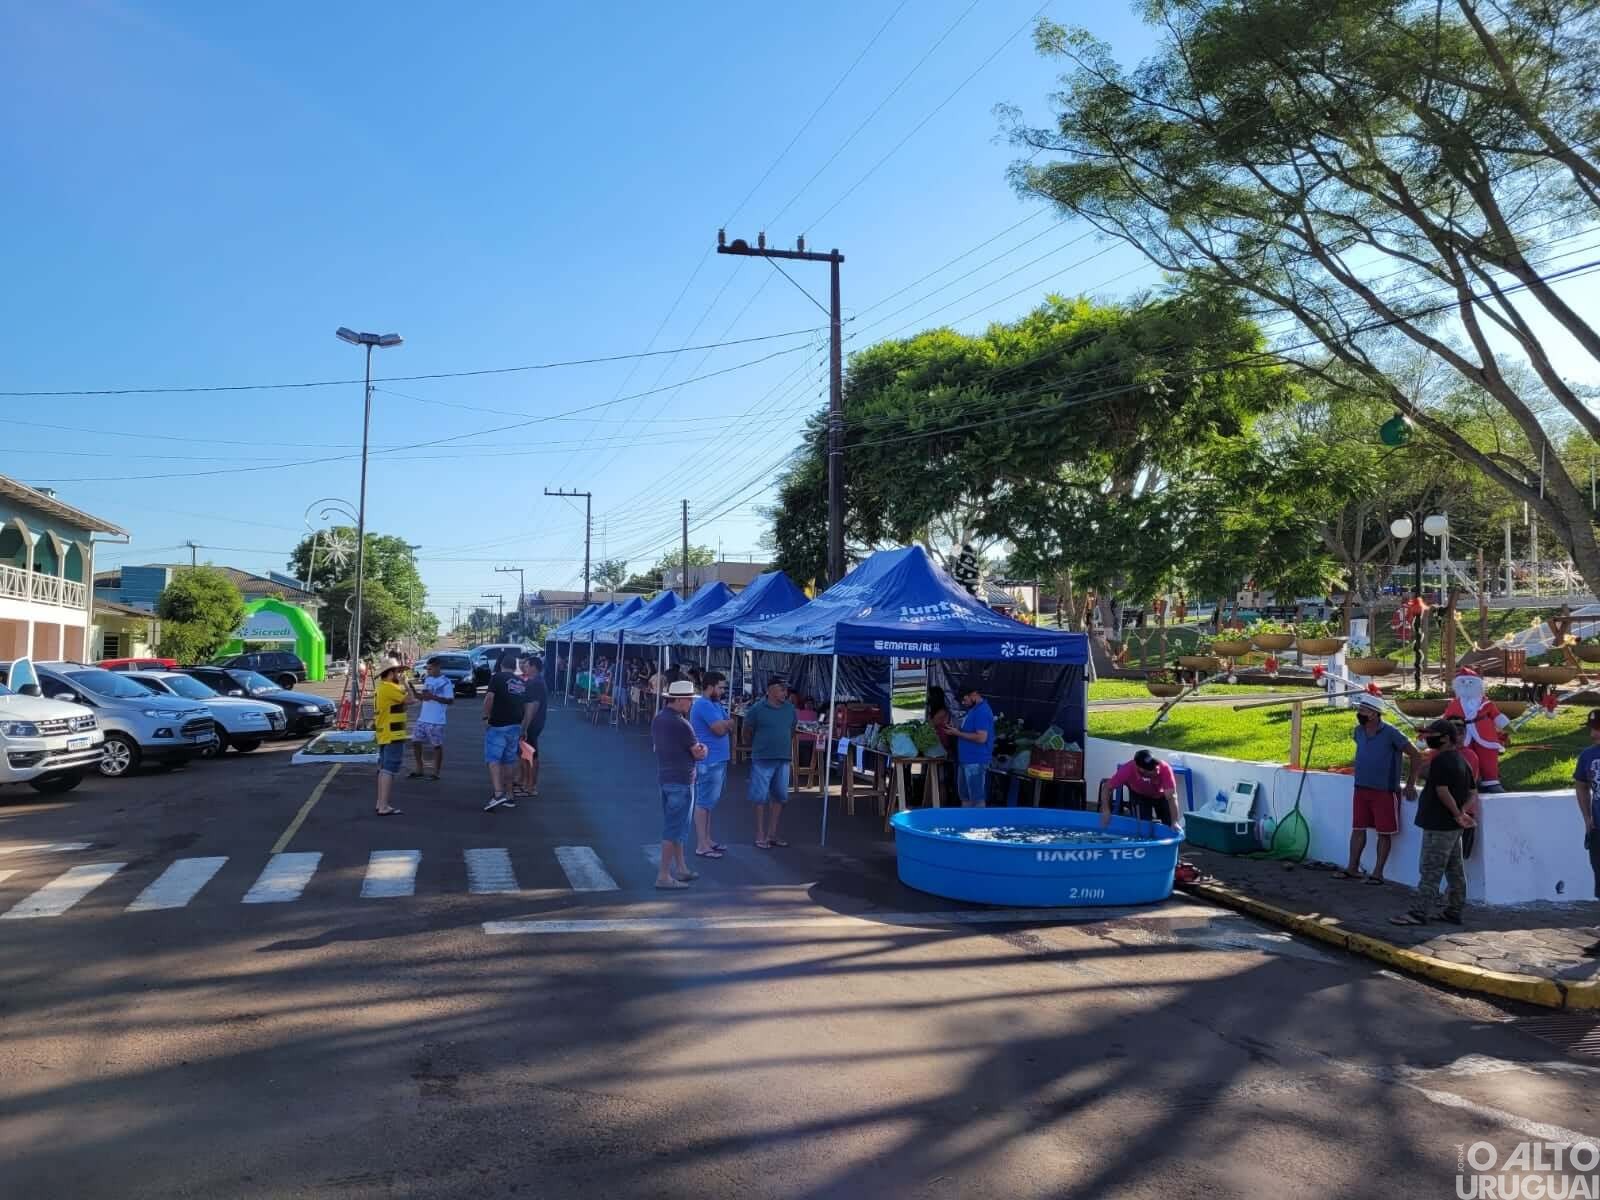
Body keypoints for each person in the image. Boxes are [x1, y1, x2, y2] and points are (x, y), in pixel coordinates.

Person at [1391, 719, 1478, 927]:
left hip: (1439, 825)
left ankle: (1419, 913)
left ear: (1446, 738)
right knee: (1455, 871)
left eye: (1431, 735)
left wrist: (1456, 813)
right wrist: (1461, 813)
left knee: (1430, 869)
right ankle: (1453, 911)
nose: (1428, 738)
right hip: (1452, 827)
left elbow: (1442, 791)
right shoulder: (1461, 760)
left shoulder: (1441, 761)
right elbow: (1473, 792)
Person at [1337, 696, 1421, 884]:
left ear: (1374, 714)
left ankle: (1377, 873)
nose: (1359, 713)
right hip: (1361, 787)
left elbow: (1415, 755)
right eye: (1360, 710)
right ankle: (1352, 868)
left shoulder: (1391, 733)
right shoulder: (1358, 731)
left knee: (1384, 832)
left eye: (1363, 710)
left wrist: (1410, 783)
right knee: (1357, 828)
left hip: (1385, 791)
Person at [651, 680, 705, 889]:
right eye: (689, 699)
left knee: (677, 826)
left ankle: (681, 868)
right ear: (680, 700)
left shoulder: (658, 719)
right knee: (674, 829)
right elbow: (697, 753)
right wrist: (704, 750)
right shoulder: (682, 724)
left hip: (665, 777)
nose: (691, 703)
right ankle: (664, 875)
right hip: (681, 779)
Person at [744, 676, 798, 849]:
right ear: (770, 690)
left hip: (783, 758)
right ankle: (760, 834)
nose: (785, 693)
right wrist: (755, 746)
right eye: (781, 689)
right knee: (760, 797)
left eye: (786, 689)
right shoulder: (757, 709)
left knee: (780, 796)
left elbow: (792, 729)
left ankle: (772, 834)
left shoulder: (790, 708)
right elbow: (747, 729)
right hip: (762, 758)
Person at [1441, 668, 1510, 792]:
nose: (1467, 685)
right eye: (1463, 682)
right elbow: (1446, 719)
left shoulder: (1486, 703)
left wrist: (1507, 727)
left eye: (1470, 682)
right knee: (1465, 756)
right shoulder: (1454, 704)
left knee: (1488, 756)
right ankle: (1470, 781)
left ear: (1478, 685)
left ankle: (1491, 781)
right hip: (1463, 734)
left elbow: (1497, 715)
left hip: (1485, 734)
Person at [689, 671, 733, 858]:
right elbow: (720, 729)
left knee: (709, 803)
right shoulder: (703, 705)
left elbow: (728, 723)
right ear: (710, 686)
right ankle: (702, 844)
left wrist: (726, 724)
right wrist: (726, 724)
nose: (723, 691)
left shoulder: (714, 704)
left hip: (717, 759)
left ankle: (707, 839)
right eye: (721, 687)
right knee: (703, 802)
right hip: (709, 761)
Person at [482, 650, 530, 812]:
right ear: (515, 667)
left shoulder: (497, 677)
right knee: (509, 761)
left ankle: (498, 793)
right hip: (515, 725)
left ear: (502, 665)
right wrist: (524, 726)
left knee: (493, 759)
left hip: (498, 725)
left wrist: (486, 717)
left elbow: (489, 698)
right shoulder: (521, 682)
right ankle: (509, 795)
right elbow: (525, 706)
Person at [1572, 708, 1600, 955]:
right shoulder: (1588, 755)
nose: (1593, 733)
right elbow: (1581, 785)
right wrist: (1587, 817)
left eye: (1598, 728)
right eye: (1592, 728)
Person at [1098, 749, 1183, 829]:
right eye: (1152, 769)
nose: (1157, 770)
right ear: (1141, 770)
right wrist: (1106, 810)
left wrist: (1175, 822)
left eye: (1155, 766)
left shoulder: (1164, 768)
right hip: (1139, 795)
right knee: (1143, 826)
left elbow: (1172, 797)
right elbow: (1107, 788)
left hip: (1160, 796)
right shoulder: (1127, 770)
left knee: (1169, 825)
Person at [372, 658, 410, 816]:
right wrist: (405, 684)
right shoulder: (389, 687)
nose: (400, 674)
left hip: (385, 733)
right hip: (393, 734)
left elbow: (403, 704)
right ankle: (383, 806)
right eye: (398, 671)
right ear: (391, 673)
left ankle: (380, 803)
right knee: (389, 769)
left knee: (384, 769)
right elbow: (411, 699)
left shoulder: (383, 687)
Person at [950, 683, 996, 808]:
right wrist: (957, 729)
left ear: (974, 694)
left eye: (964, 699)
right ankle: (965, 820)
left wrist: (958, 733)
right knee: (965, 798)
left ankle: (978, 821)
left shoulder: (982, 711)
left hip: (976, 761)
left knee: (977, 800)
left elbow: (982, 738)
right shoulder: (974, 709)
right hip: (966, 760)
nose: (963, 703)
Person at [408, 658, 454, 781]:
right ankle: (419, 769)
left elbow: (450, 701)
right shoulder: (428, 679)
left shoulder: (446, 682)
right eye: (427, 669)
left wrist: (433, 697)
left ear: (438, 667)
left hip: (436, 720)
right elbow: (424, 697)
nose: (428, 671)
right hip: (423, 718)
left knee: (436, 746)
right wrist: (412, 690)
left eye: (430, 669)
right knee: (415, 742)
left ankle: (436, 773)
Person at [517, 656, 547, 798]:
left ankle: (531, 787)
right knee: (525, 754)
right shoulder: (534, 681)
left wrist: (524, 727)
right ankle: (525, 783)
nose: (524, 667)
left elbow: (533, 706)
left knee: (531, 755)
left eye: (527, 665)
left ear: (534, 667)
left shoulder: (536, 683)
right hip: (532, 722)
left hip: (532, 724)